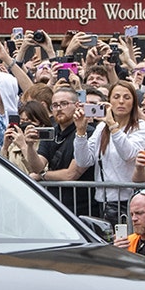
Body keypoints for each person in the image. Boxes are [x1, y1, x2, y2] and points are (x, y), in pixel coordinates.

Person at [73, 81, 145, 221]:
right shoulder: (101, 128)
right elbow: (83, 161)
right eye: (116, 97)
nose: (121, 101)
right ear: (109, 101)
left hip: (130, 200)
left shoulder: (141, 127)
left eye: (127, 97)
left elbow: (128, 154)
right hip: (102, 200)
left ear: (134, 102)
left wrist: (112, 125)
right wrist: (80, 131)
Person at [24, 85, 95, 214]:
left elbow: (71, 174)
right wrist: (29, 146)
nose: (59, 109)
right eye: (55, 105)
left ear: (77, 105)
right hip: (55, 204)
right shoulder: (52, 131)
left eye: (64, 104)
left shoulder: (87, 132)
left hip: (81, 206)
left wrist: (43, 176)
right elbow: (37, 166)